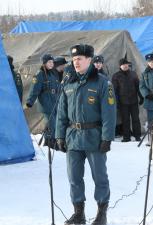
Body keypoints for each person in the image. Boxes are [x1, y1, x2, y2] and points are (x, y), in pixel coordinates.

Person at [55, 44, 116, 225]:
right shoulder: (68, 82)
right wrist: (60, 135)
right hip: (73, 137)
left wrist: (107, 137)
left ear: (90, 60)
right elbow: (61, 112)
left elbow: (109, 112)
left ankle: (101, 213)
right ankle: (79, 213)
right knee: (74, 177)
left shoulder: (103, 83)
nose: (76, 62)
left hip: (94, 137)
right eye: (74, 59)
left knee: (99, 177)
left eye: (80, 59)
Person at [26, 53, 60, 149]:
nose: (51, 64)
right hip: (46, 103)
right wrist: (30, 101)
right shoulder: (39, 74)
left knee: (55, 123)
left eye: (52, 62)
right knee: (51, 123)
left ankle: (52, 141)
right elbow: (34, 89)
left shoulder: (52, 73)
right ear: (44, 63)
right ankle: (50, 142)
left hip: (54, 102)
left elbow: (58, 87)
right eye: (49, 62)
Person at [112, 58, 142, 142]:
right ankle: (126, 137)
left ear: (128, 65)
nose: (125, 66)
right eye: (123, 64)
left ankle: (137, 136)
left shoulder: (133, 74)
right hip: (123, 102)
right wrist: (116, 102)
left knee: (136, 119)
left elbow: (138, 87)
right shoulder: (116, 76)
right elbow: (114, 90)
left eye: (126, 64)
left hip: (134, 101)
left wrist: (141, 97)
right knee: (125, 120)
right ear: (120, 66)